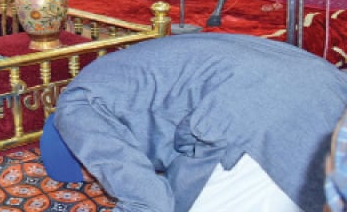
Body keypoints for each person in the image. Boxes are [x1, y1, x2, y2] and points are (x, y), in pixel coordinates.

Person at [42, 33, 347, 212]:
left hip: (255, 121)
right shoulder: (116, 75)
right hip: (332, 90)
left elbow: (150, 201)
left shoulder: (75, 108)